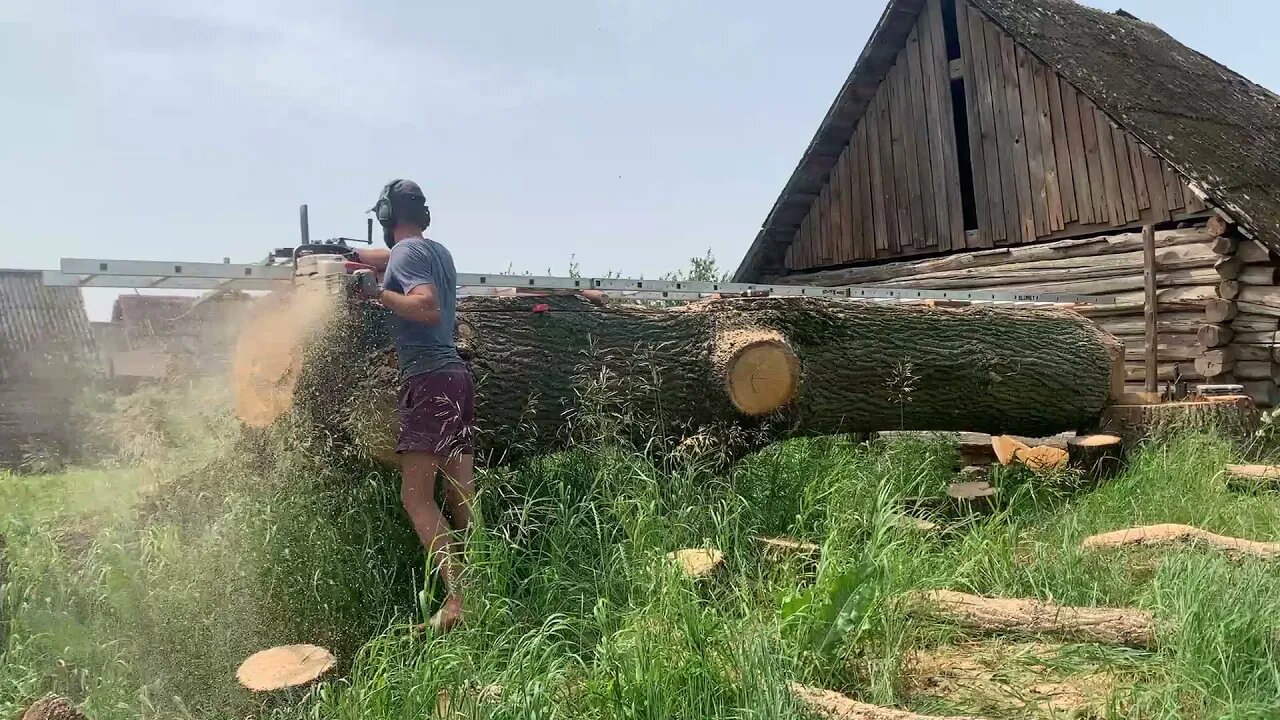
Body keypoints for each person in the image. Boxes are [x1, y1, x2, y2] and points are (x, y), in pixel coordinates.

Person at [356, 179, 474, 632]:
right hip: (456, 378)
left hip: (427, 380)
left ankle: (460, 602)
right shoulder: (435, 252)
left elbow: (427, 308)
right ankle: (485, 589)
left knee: (416, 498)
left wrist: (373, 294)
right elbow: (392, 258)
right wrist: (336, 254)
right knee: (460, 494)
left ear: (386, 216)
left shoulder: (407, 256)